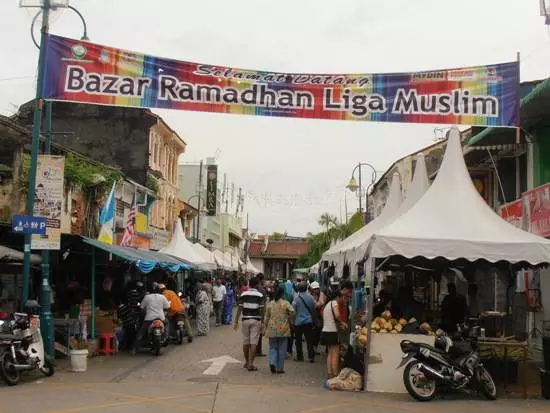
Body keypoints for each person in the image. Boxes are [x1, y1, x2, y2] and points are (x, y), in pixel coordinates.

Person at [234, 277, 265, 371]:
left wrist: (235, 321)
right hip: (256, 320)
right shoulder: (260, 295)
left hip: (245, 320)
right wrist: (263, 321)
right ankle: (251, 364)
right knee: (253, 343)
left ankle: (247, 362)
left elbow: (239, 309)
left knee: (245, 342)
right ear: (257, 285)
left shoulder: (243, 294)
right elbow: (262, 309)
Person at [264, 284, 295, 374]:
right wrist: (287, 316)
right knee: (282, 349)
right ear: (282, 294)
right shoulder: (285, 303)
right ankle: (280, 368)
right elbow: (293, 312)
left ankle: (272, 362)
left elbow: (266, 317)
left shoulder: (270, 304)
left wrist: (265, 328)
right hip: (283, 328)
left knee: (273, 347)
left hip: (272, 328)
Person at [132, 283, 170, 354]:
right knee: (167, 323)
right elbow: (167, 307)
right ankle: (166, 337)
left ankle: (135, 348)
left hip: (149, 318)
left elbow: (141, 307)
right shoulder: (162, 297)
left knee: (141, 331)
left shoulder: (147, 297)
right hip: (160, 317)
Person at [321, 291, 348, 379]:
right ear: (337, 297)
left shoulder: (327, 305)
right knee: (335, 353)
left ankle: (330, 374)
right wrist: (342, 323)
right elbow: (337, 315)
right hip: (332, 331)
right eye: (341, 298)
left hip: (326, 331)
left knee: (330, 353)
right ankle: (335, 374)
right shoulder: (334, 303)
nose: (342, 300)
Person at [292, 282, 316, 362]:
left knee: (298, 340)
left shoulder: (296, 298)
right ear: (306, 288)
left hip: (298, 322)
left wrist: (293, 320)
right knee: (309, 340)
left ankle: (300, 356)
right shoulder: (311, 297)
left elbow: (293, 310)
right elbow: (313, 307)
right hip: (308, 321)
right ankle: (311, 356)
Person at [309, 281, 324, 354]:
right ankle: (312, 348)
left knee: (318, 332)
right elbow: (316, 305)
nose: (316, 290)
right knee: (312, 333)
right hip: (311, 316)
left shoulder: (321, 295)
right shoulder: (309, 295)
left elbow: (322, 303)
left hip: (318, 316)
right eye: (315, 289)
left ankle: (315, 348)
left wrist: (320, 295)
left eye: (317, 288)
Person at [255, 273, 268, 357]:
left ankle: (253, 349)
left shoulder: (252, 288)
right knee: (259, 334)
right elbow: (263, 304)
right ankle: (258, 351)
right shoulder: (262, 290)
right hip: (259, 313)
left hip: (251, 312)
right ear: (261, 280)